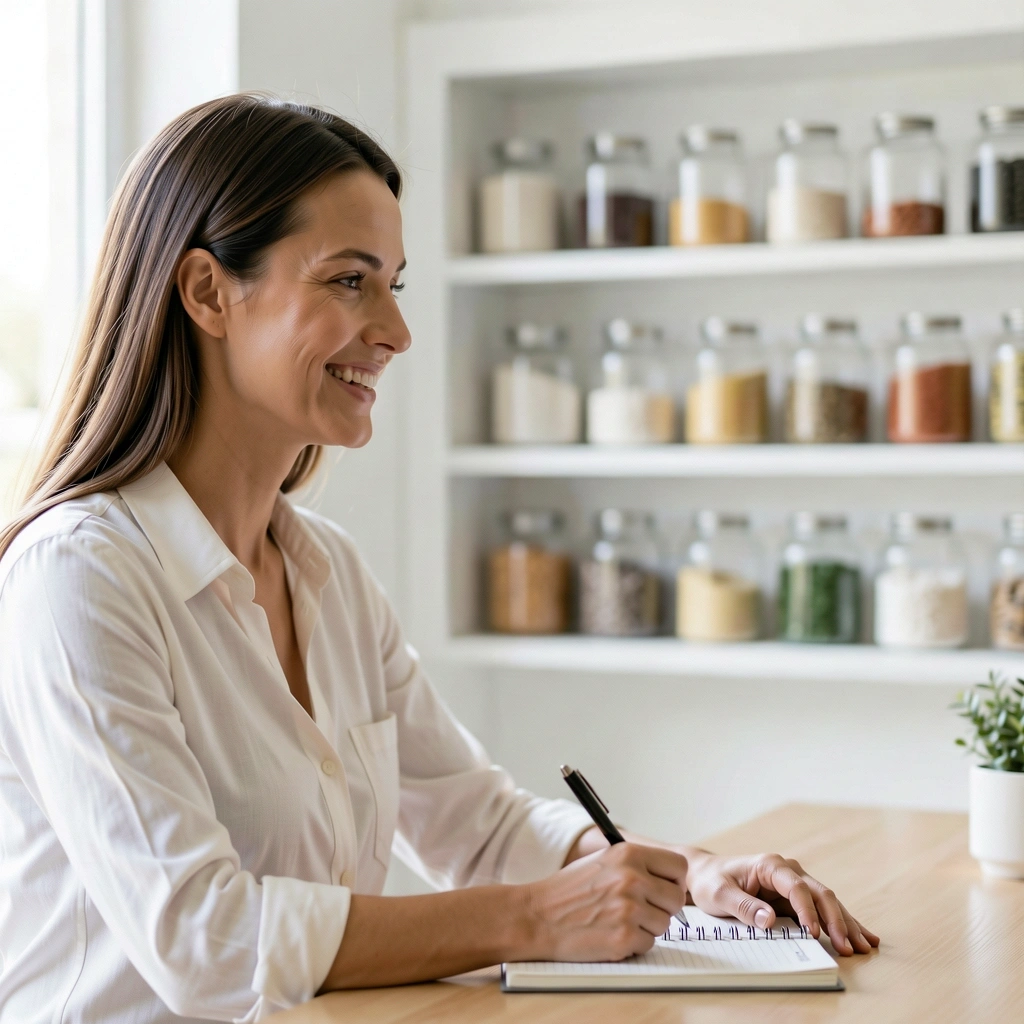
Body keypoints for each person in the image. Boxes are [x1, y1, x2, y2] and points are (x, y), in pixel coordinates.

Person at [0, 95, 878, 1023]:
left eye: (395, 285)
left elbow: (482, 826)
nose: (395, 331)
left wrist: (685, 877)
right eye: (349, 281)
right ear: (208, 292)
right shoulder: (79, 578)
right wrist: (536, 918)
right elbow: (205, 942)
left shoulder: (324, 572)